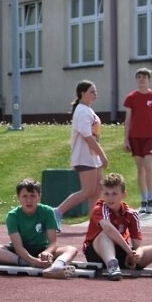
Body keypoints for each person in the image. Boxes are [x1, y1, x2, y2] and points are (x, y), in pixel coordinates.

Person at [0, 178, 77, 279]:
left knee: (72, 249)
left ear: (39, 197)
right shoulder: (12, 216)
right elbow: (18, 247)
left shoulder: (48, 212)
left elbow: (53, 242)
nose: (29, 200)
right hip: (19, 253)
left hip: (42, 251)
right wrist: (33, 261)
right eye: (25, 196)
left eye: (33, 196)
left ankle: (56, 267)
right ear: (18, 198)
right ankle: (26, 263)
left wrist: (47, 252)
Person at [82, 173, 152, 281]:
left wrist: (136, 255)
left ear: (124, 194)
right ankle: (112, 265)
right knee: (104, 234)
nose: (110, 198)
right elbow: (108, 228)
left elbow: (137, 245)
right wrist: (128, 251)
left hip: (123, 253)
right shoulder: (100, 208)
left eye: (114, 194)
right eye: (106, 193)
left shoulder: (131, 213)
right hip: (97, 253)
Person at [54, 80, 109, 226]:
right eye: (92, 91)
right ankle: (57, 212)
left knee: (98, 190)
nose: (95, 94)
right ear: (82, 93)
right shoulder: (82, 111)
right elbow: (88, 137)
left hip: (92, 157)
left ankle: (94, 221)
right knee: (88, 191)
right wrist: (102, 155)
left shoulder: (88, 110)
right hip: (84, 157)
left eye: (95, 91)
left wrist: (98, 155)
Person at [123, 67, 152, 214]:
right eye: (139, 77)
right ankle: (143, 200)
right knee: (140, 168)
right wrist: (126, 140)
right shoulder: (131, 97)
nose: (141, 79)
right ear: (136, 80)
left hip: (150, 137)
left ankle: (151, 199)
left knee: (149, 165)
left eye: (144, 77)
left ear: (149, 80)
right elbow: (128, 120)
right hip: (135, 137)